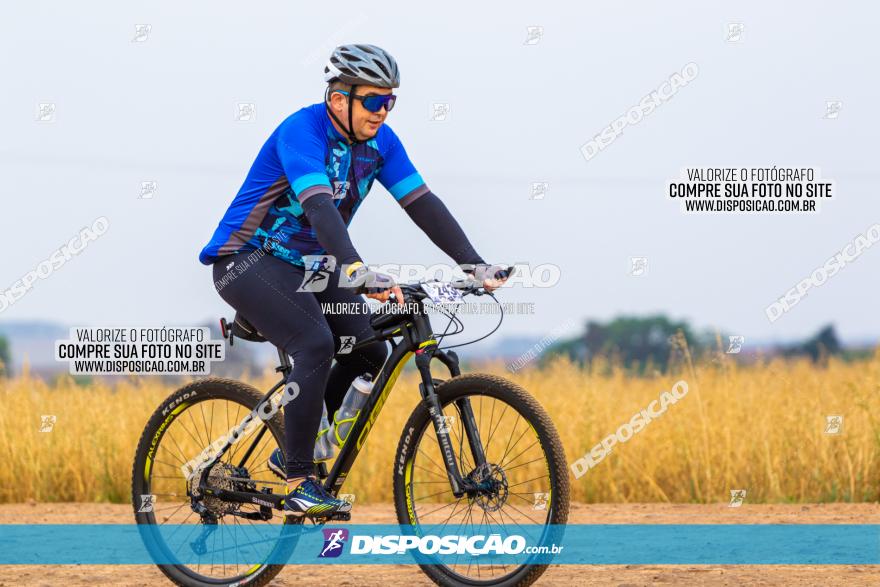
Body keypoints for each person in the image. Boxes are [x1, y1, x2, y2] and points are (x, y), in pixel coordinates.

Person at [199, 44, 505, 518]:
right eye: (374, 100)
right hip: (247, 259)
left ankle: (292, 449)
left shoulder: (382, 145)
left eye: (391, 101)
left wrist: (474, 263)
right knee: (315, 343)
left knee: (370, 350)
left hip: (311, 266)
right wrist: (357, 270)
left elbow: (422, 204)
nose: (383, 111)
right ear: (339, 98)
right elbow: (320, 208)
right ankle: (302, 478)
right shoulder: (302, 132)